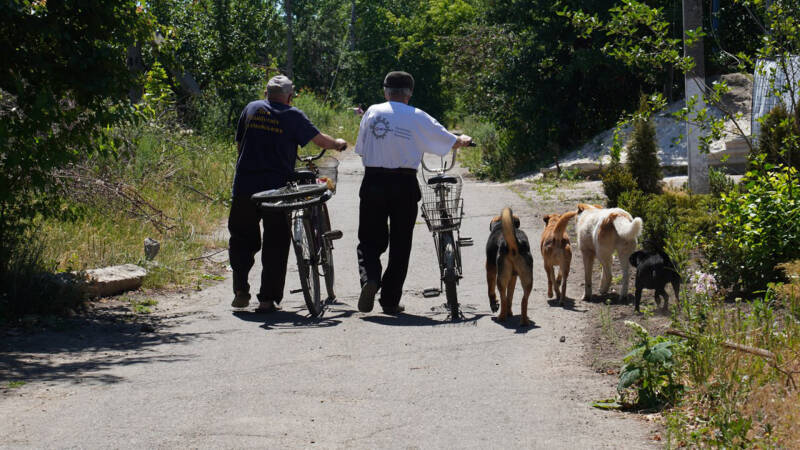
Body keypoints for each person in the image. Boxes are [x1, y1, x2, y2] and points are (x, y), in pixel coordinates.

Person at [354, 71, 472, 314]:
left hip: (374, 180)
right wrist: (463, 139)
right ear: (409, 93)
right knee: (401, 243)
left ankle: (370, 279)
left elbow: (361, 149)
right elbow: (447, 140)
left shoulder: (372, 112)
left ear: (385, 91)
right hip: (404, 183)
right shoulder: (418, 116)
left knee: (369, 239)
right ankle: (389, 300)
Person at [229, 75, 347, 313]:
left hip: (245, 186)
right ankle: (267, 300)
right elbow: (319, 140)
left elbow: (240, 146)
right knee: (276, 241)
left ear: (266, 93)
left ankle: (241, 289)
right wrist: (337, 143)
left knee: (242, 239)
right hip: (277, 191)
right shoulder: (292, 115)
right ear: (290, 96)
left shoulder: (251, 108)